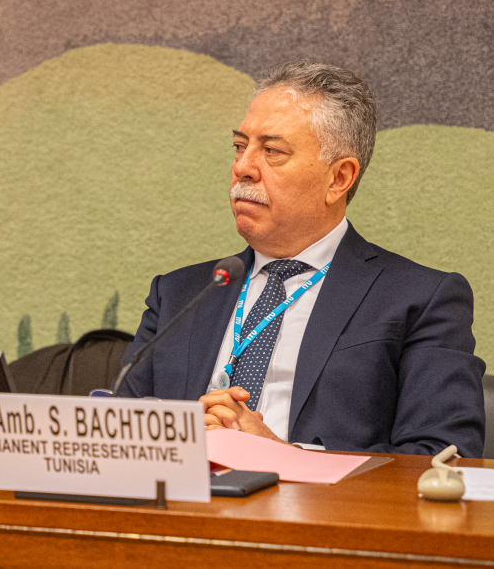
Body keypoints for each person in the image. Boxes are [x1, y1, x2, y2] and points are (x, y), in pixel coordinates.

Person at [121, 63, 485, 456]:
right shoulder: (179, 294)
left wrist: (283, 456)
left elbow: (445, 458)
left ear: (339, 178)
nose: (242, 167)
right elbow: (120, 435)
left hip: (322, 514)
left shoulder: (419, 299)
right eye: (240, 146)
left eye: (272, 151)